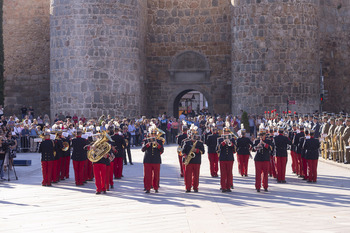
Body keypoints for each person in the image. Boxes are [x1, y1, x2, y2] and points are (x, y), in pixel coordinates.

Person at [142, 125, 164, 193]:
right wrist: (147, 144)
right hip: (147, 160)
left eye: (154, 134)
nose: (153, 135)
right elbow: (142, 149)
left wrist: (157, 144)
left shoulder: (159, 141)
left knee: (156, 175)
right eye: (152, 134)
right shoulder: (146, 140)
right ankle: (147, 188)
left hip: (156, 160)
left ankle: (156, 187)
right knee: (147, 175)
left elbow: (162, 150)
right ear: (150, 134)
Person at [182, 127, 205, 193]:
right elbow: (183, 151)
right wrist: (185, 156)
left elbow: (203, 151)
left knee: (196, 175)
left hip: (197, 161)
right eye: (194, 136)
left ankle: (195, 187)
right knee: (188, 175)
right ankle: (188, 188)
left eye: (196, 136)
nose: (195, 137)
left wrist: (197, 150)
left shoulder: (200, 143)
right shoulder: (187, 142)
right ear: (191, 135)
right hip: (188, 161)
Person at [217, 127, 236, 192]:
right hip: (222, 158)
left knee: (229, 173)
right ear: (223, 132)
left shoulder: (232, 139)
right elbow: (217, 148)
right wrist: (224, 142)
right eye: (225, 132)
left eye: (227, 132)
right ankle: (223, 187)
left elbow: (235, 149)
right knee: (223, 173)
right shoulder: (220, 139)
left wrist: (230, 143)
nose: (226, 133)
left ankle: (228, 187)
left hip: (230, 158)